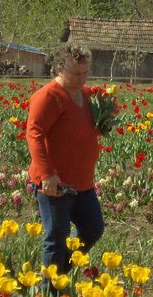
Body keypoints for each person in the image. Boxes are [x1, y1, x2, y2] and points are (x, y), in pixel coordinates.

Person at [26, 43, 104, 281]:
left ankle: (59, 272)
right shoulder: (47, 97)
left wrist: (107, 113)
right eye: (76, 73)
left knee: (93, 229)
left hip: (83, 182)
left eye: (85, 73)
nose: (82, 79)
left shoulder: (87, 96)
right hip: (55, 184)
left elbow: (91, 127)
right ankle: (48, 296)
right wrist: (47, 173)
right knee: (56, 237)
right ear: (59, 68)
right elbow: (34, 134)